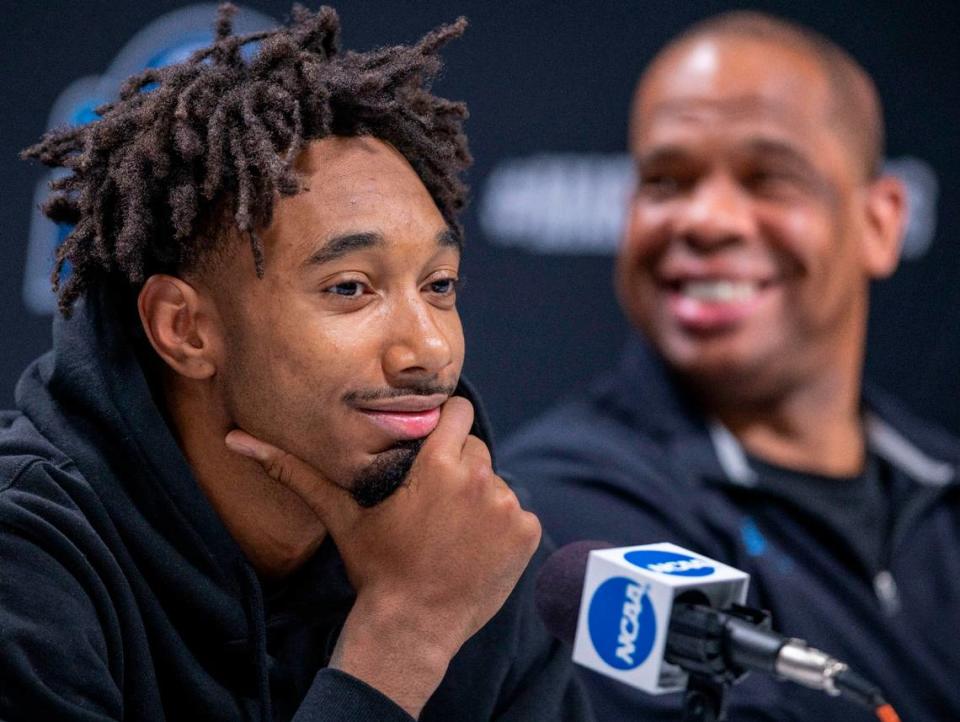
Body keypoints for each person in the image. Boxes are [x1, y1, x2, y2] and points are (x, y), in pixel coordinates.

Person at [0, 6, 591, 721]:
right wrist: (402, 635)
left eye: (439, 286)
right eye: (350, 289)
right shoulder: (26, 562)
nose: (429, 349)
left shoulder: (475, 545)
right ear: (184, 329)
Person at [502, 10, 960, 722]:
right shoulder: (562, 509)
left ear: (880, 223)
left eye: (769, 178)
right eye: (667, 180)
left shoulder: (943, 483)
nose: (707, 219)